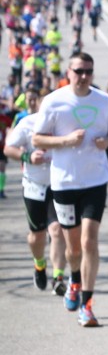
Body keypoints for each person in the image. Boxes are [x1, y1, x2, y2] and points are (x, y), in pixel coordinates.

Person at [32, 52, 108, 327]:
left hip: (94, 181)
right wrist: (66, 140)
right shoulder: (53, 101)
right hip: (63, 183)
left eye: (89, 72)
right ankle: (74, 279)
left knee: (88, 241)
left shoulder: (104, 101)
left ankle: (87, 303)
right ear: (68, 72)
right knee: (73, 249)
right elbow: (37, 138)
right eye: (79, 71)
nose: (84, 77)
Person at [3, 86, 68, 295]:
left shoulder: (62, 123)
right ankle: (39, 265)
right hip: (34, 186)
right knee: (36, 236)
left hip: (58, 185)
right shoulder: (27, 123)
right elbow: (8, 148)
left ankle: (58, 277)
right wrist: (27, 157)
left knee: (57, 230)